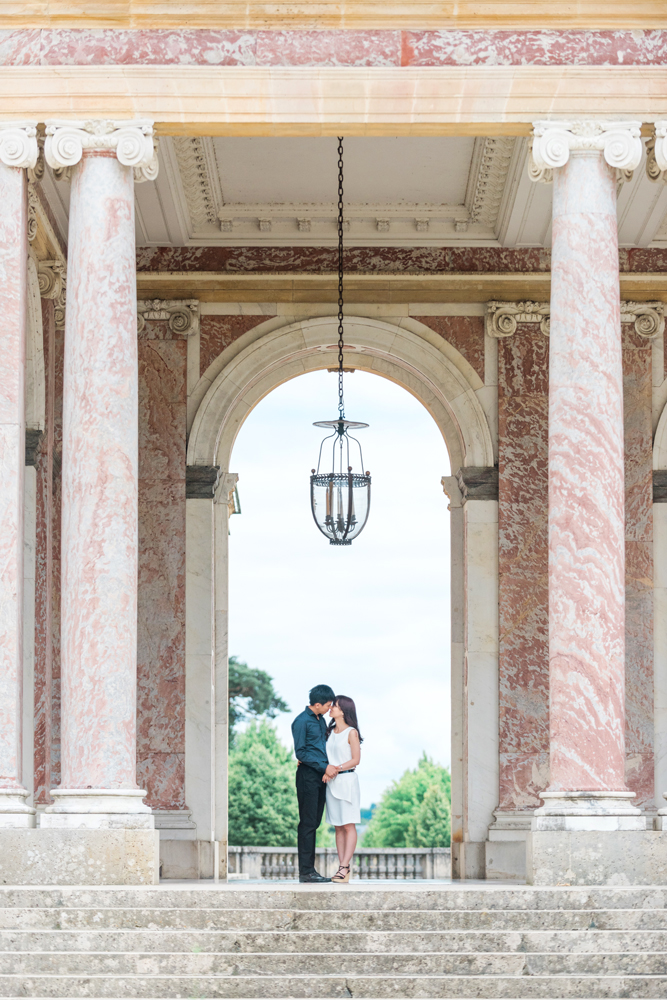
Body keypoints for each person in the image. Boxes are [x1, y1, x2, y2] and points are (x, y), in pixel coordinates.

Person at [291, 684, 338, 883]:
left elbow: (322, 747)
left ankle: (310, 870)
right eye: (327, 705)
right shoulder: (301, 722)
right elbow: (300, 752)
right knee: (308, 824)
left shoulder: (320, 721)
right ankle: (306, 872)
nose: (330, 709)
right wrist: (323, 766)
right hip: (308, 777)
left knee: (315, 823)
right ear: (317, 704)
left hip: (320, 776)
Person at [323, 695, 362, 884]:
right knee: (338, 826)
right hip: (332, 783)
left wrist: (334, 770)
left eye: (335, 706)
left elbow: (356, 760)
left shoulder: (351, 732)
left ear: (343, 710)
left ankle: (345, 866)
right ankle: (342, 867)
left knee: (349, 825)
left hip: (346, 781)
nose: (331, 709)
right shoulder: (329, 731)